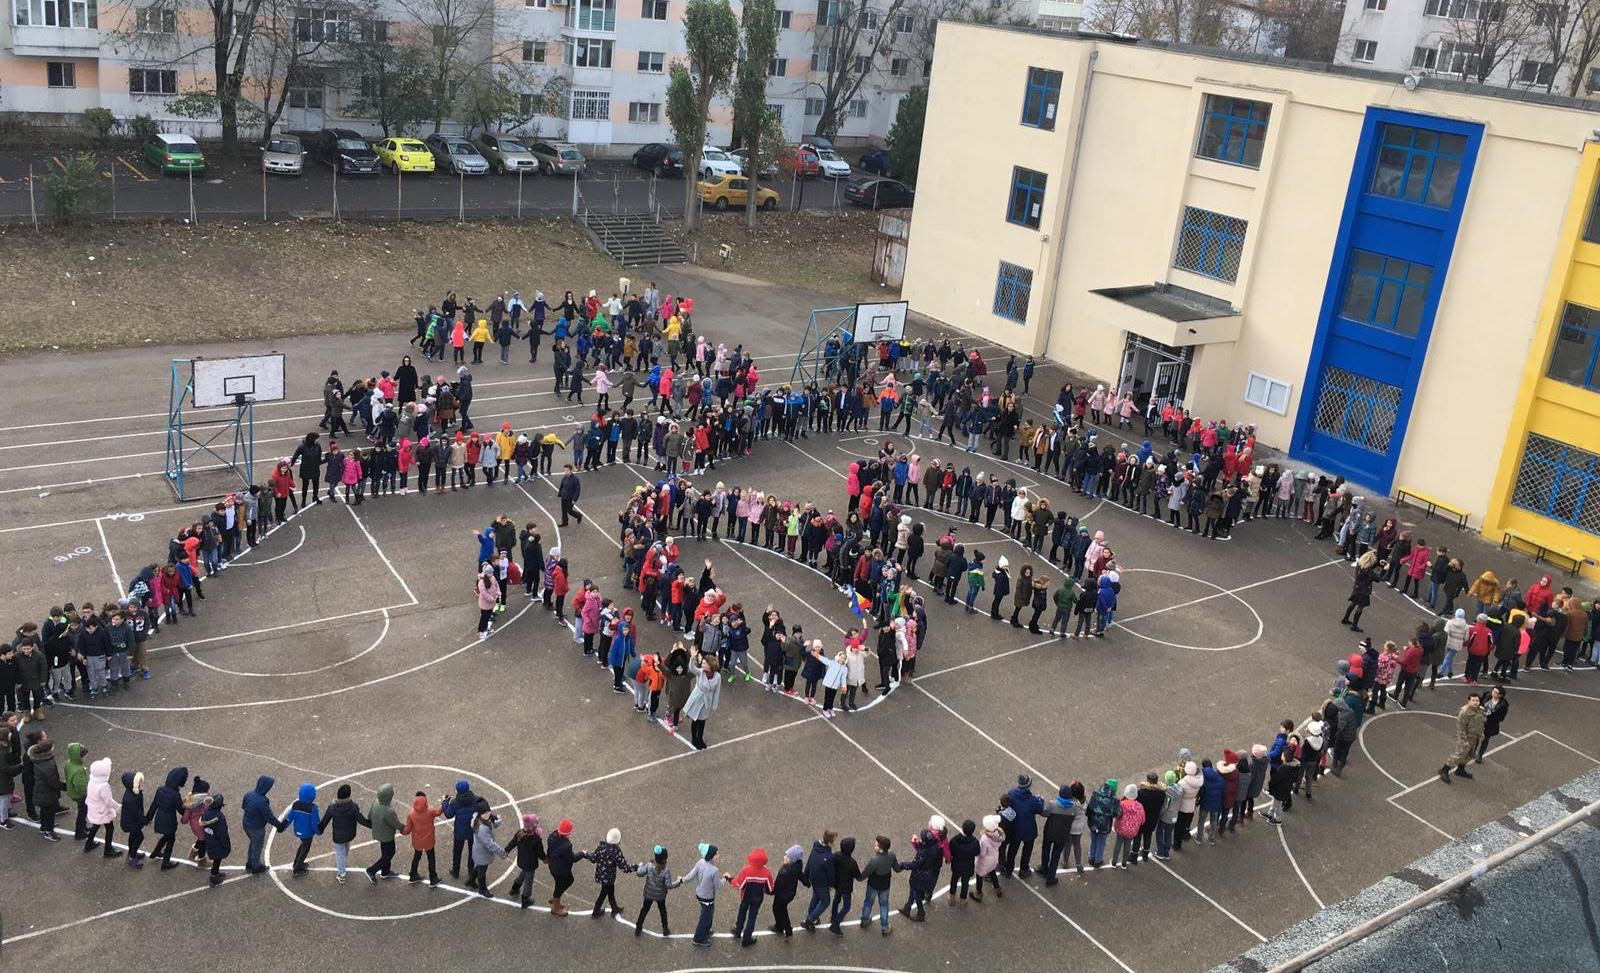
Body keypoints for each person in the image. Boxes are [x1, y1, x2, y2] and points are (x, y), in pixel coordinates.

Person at [317, 783, 369, 884]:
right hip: (350, 834)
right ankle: (343, 865)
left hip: (338, 836)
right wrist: (372, 825)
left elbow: (324, 822)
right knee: (345, 849)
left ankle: (341, 874)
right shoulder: (354, 807)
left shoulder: (332, 808)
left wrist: (319, 830)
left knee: (340, 853)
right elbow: (362, 820)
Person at [240, 775, 285, 875]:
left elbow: (243, 806)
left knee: (253, 844)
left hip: (246, 823)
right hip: (256, 828)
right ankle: (256, 867)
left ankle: (250, 863)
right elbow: (269, 817)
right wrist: (279, 825)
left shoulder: (249, 794)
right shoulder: (262, 801)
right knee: (257, 847)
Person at [1438, 691, 1486, 785]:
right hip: (1466, 738)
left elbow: (1481, 723)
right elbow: (1460, 728)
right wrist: (1464, 741)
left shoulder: (1480, 710)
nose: (1475, 702)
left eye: (1477, 700)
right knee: (1459, 755)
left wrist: (1481, 734)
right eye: (1473, 700)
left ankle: (1460, 769)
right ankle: (1445, 770)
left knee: (1469, 755)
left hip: (1475, 737)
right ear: (1469, 701)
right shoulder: (1464, 712)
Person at [633, 844, 681, 935]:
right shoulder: (666, 871)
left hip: (648, 894)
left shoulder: (649, 865)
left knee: (644, 910)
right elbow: (669, 885)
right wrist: (678, 882)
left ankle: (638, 927)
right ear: (665, 859)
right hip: (660, 896)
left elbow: (639, 873)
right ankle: (665, 929)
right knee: (663, 911)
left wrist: (640, 865)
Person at [732, 847, 775, 946]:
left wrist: (730, 879)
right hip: (757, 899)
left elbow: (739, 885)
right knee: (752, 918)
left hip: (745, 897)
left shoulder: (746, 871)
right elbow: (770, 888)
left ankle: (738, 931)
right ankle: (747, 938)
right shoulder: (766, 872)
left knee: (742, 913)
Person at [83, 756, 123, 859]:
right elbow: (108, 801)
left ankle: (88, 844)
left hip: (94, 809)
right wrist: (118, 807)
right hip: (102, 811)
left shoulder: (92, 781)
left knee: (95, 826)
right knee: (110, 829)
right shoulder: (104, 786)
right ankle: (108, 850)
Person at [402, 790, 443, 886]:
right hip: (429, 840)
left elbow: (407, 829)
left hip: (417, 840)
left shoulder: (411, 813)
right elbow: (438, 812)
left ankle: (413, 874)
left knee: (417, 856)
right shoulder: (430, 810)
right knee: (431, 858)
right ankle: (433, 878)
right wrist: (444, 804)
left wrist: (401, 829)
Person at [363, 783, 402, 882]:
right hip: (387, 835)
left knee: (385, 853)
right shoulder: (389, 810)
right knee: (390, 853)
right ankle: (372, 870)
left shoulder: (376, 803)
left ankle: (385, 871)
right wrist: (403, 828)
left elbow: (369, 816)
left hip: (378, 832)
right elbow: (396, 823)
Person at [858, 835, 897, 933]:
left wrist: (858, 877)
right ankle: (885, 926)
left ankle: (864, 920)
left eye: (876, 845)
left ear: (880, 848)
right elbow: (897, 868)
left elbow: (865, 874)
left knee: (868, 902)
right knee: (884, 905)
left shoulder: (875, 860)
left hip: (873, 885)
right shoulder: (891, 855)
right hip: (885, 885)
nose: (874, 845)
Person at [682, 654, 722, 750]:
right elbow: (692, 668)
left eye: (704, 663)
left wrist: (714, 705)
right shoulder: (700, 672)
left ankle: (700, 739)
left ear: (710, 665)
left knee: (702, 721)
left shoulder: (717, 676)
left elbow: (717, 691)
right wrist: (692, 658)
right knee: (695, 720)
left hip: (707, 700)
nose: (702, 665)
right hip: (697, 698)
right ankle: (694, 739)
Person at [283, 783, 320, 876]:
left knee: (303, 845)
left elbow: (289, 817)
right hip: (308, 833)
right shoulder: (313, 808)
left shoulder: (296, 805)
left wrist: (283, 826)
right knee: (305, 849)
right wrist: (318, 831)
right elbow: (314, 823)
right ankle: (297, 868)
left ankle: (296, 862)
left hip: (298, 830)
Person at [201, 791, 232, 886]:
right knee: (217, 860)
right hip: (217, 842)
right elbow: (222, 833)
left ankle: (216, 873)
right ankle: (214, 876)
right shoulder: (219, 817)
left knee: (216, 858)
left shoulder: (206, 813)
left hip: (209, 840)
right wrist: (226, 844)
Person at [1477, 686, 1510, 762]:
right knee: (1476, 736)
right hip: (1481, 719)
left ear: (1500, 695)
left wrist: (1491, 715)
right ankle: (1473, 751)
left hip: (1490, 724)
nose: (1493, 693)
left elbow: (1501, 718)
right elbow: (1481, 701)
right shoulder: (1488, 695)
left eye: (1496, 692)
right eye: (1493, 691)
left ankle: (1480, 754)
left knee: (1485, 738)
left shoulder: (1503, 705)